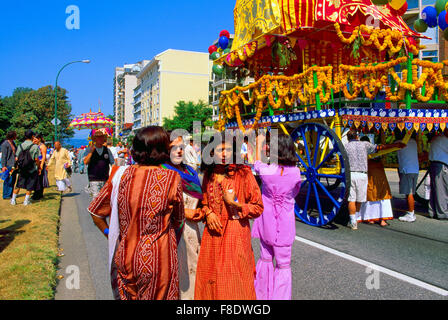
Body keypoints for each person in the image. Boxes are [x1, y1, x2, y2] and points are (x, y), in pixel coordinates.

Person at [88, 126, 185, 300]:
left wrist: (109, 233)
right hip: (158, 258)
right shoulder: (171, 178)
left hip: (126, 256)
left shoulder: (120, 176)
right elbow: (178, 220)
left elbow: (95, 212)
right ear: (163, 149)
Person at [194, 132, 263, 300]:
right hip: (212, 234)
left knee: (233, 281)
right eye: (220, 150)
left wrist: (236, 205)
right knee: (210, 278)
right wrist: (208, 213)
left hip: (235, 234)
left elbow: (258, 207)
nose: (224, 154)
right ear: (211, 152)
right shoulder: (209, 175)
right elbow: (203, 201)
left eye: (228, 150)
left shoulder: (243, 173)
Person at [252, 133, 301, 300]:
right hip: (285, 224)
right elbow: (295, 192)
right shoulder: (295, 172)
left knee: (265, 259)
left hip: (266, 221)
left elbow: (256, 164)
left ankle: (262, 295)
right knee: (283, 264)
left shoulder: (267, 171)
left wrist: (258, 145)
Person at [161, 133, 203, 300]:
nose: (178, 151)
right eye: (173, 148)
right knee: (180, 274)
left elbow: (199, 198)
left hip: (193, 229)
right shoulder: (162, 172)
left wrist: (202, 209)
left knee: (195, 270)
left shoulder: (190, 172)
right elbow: (159, 205)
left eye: (181, 147)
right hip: (173, 230)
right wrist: (185, 212)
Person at [344, 129, 404, 230]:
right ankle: (357, 216)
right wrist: (395, 146)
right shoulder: (365, 144)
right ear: (357, 137)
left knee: (351, 199)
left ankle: (353, 220)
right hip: (363, 175)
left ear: (348, 138)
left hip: (351, 174)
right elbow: (380, 147)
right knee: (359, 199)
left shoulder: (345, 146)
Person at [357, 136, 394, 227]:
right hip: (380, 174)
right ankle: (382, 220)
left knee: (370, 195)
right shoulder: (374, 149)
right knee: (382, 195)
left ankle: (371, 218)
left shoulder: (361, 150)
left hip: (370, 174)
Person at [11, 130, 41, 206]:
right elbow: (36, 159)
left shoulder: (20, 146)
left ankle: (13, 200)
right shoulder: (35, 146)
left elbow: (17, 157)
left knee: (18, 184)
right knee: (30, 185)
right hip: (32, 168)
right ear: (32, 136)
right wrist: (39, 166)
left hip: (22, 168)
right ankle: (26, 201)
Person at [84, 131, 115, 199]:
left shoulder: (107, 150)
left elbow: (113, 163)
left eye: (101, 137)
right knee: (96, 200)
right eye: (98, 137)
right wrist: (91, 152)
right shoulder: (89, 149)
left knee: (104, 200)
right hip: (94, 179)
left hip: (105, 178)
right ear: (94, 139)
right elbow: (85, 162)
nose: (100, 139)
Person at [397, 133, 419, 222]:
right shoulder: (414, 142)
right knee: (411, 192)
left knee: (408, 192)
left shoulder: (398, 142)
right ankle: (410, 212)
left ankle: (410, 213)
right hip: (415, 169)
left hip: (406, 169)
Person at [428, 128, 448, 219]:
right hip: (441, 165)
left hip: (434, 164)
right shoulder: (444, 139)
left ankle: (433, 211)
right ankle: (442, 213)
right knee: (442, 190)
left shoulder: (436, 138)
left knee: (435, 189)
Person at [32, 134, 49, 201]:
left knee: (40, 180)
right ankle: (36, 193)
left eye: (35, 139)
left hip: (40, 164)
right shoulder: (34, 146)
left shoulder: (42, 146)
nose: (34, 140)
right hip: (35, 164)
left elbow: (44, 156)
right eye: (33, 139)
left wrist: (41, 166)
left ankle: (39, 194)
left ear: (39, 139)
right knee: (36, 180)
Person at [1, 131, 18, 200]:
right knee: (8, 180)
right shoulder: (5, 144)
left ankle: (10, 194)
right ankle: (6, 195)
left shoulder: (13, 143)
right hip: (8, 165)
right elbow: (4, 156)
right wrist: (3, 166)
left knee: (13, 180)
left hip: (13, 164)